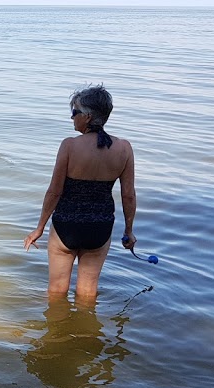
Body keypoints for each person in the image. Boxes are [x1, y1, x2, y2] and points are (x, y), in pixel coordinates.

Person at [23, 85, 137, 304]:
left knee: (57, 290)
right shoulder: (124, 148)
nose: (72, 118)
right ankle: (87, 335)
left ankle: (56, 333)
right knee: (87, 293)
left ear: (88, 116)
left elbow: (54, 191)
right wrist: (129, 231)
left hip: (67, 224)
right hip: (100, 227)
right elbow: (128, 195)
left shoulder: (69, 146)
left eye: (74, 112)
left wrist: (39, 228)